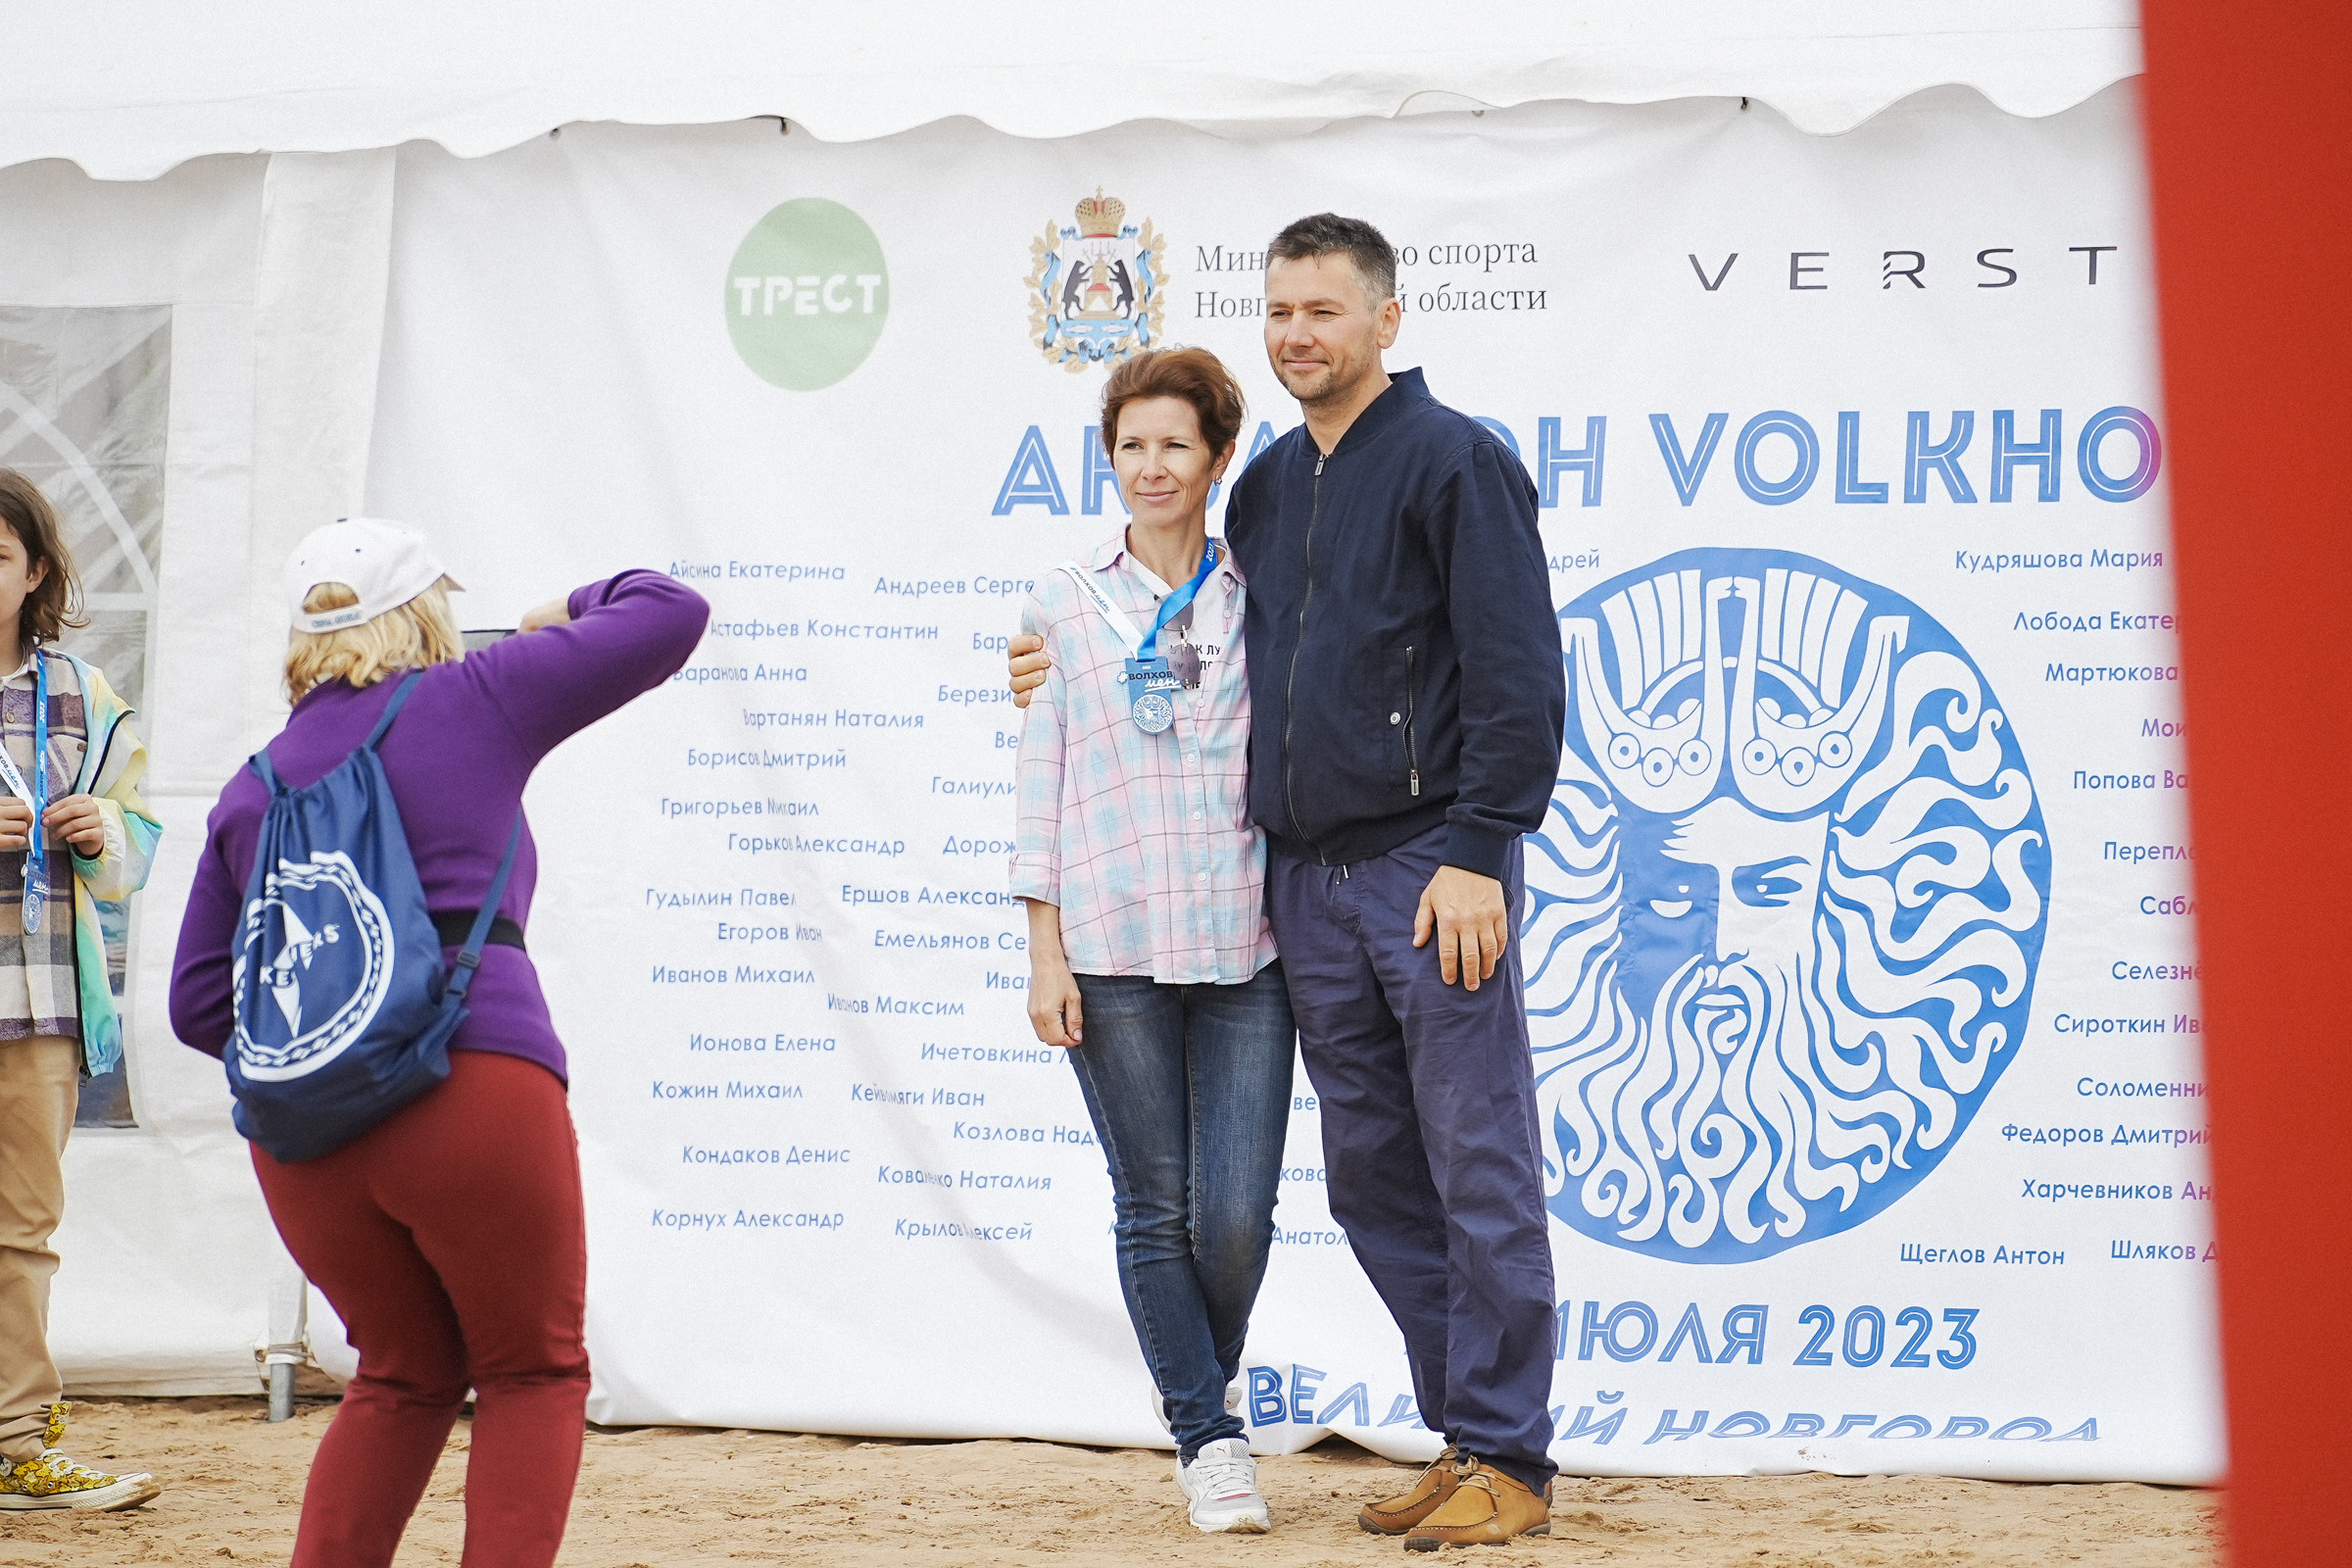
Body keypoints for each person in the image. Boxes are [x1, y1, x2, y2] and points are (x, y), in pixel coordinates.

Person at [1009, 216, 1566, 1549]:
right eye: (1280, 311)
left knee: (1477, 1159)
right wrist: (1042, 664)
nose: (1299, 332)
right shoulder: (1263, 491)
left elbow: (1518, 673)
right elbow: (1169, 629)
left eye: (1325, 308)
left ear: (1387, 319)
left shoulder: (1454, 463)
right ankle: (1466, 1435)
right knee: (1376, 1176)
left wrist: (1483, 851)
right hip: (1302, 889)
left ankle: (1517, 1457)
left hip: (1433, 873)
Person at [170, 519, 708, 1568]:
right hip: (473, 1082)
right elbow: (668, 611)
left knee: (400, 1373)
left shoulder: (253, 786)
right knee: (533, 1373)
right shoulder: (474, 695)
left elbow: (199, 1004)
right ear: (424, 612)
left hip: (304, 1134)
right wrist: (560, 609)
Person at [1012, 347, 1295, 1535]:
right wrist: (1044, 948)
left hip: (1247, 945)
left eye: (1176, 443)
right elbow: (1041, 779)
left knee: (1235, 1215)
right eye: (1131, 445)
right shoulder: (1063, 605)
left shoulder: (1264, 593)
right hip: (1114, 942)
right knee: (1153, 1203)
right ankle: (1209, 1437)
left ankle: (1198, 1386)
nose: (1152, 466)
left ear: (1220, 458)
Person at [0, 471, 164, 1513]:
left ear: (36, 574)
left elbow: (136, 849)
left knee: (20, 1227)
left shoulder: (84, 694)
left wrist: (103, 835)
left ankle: (15, 1443)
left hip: (40, 1003)